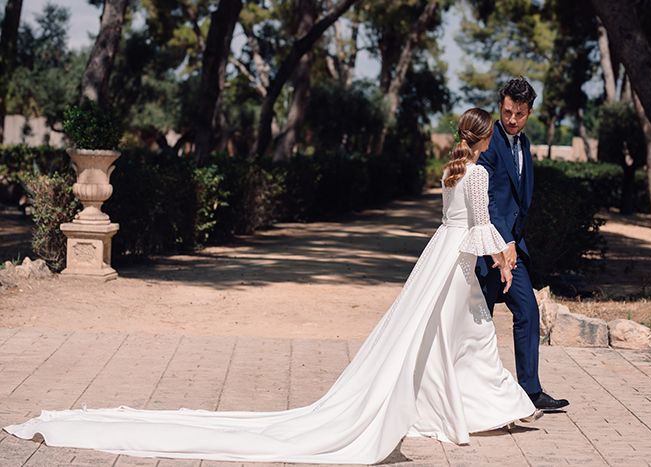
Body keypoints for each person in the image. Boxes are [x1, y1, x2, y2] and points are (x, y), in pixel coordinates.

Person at [4, 109, 542, 465]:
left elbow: (460, 224)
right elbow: (478, 226)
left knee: (453, 339)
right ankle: (480, 406)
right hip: (452, 265)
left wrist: (492, 252)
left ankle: (470, 406)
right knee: (464, 336)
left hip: (437, 259)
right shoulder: (477, 175)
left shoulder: (451, 172)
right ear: (485, 137)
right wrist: (503, 258)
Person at [476, 77, 569, 411]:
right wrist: (505, 242)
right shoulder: (488, 141)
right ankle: (470, 392)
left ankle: (530, 391)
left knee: (528, 313)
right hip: (486, 250)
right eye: (506, 111)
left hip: (514, 253)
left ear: (530, 112)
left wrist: (515, 245)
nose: (511, 119)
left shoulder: (524, 143)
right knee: (478, 322)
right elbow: (485, 199)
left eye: (519, 113)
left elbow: (519, 200)